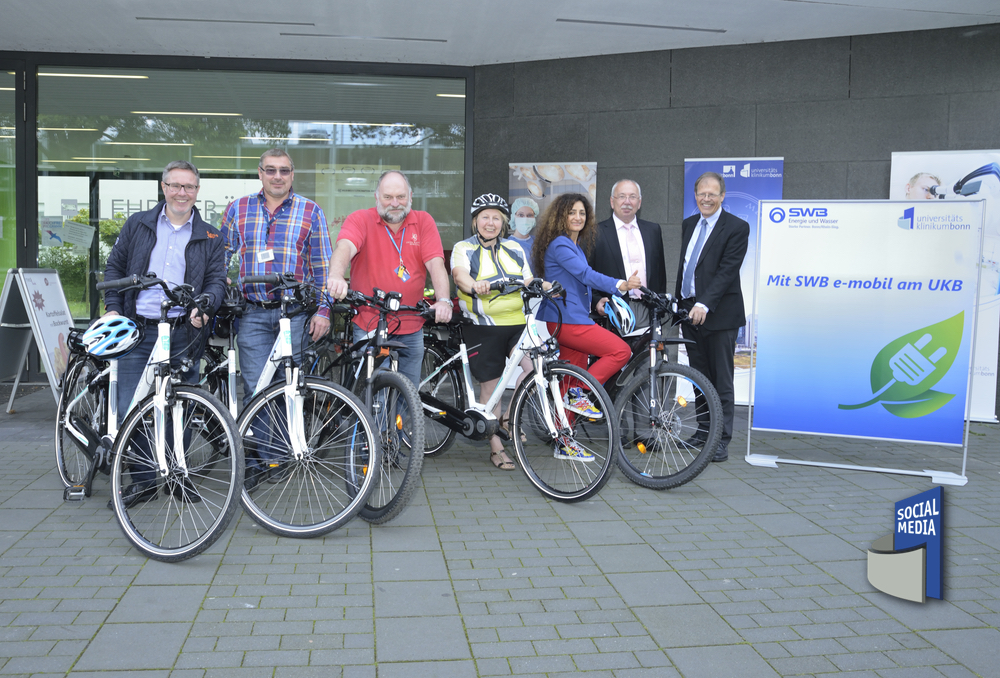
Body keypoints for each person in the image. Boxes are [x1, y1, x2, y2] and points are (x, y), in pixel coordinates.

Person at [102, 160, 227, 507]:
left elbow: (216, 280)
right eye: (175, 185)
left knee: (180, 407)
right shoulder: (138, 224)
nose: (181, 193)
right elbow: (115, 267)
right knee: (134, 406)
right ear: (163, 187)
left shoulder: (211, 235)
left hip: (183, 331)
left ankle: (176, 477)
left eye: (188, 187)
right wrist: (113, 306)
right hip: (137, 328)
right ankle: (142, 482)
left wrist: (205, 305)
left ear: (197, 191)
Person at [220, 149, 333, 488]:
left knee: (288, 387)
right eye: (271, 170)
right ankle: (263, 458)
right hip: (253, 314)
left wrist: (324, 311)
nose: (278, 176)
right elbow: (220, 256)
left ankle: (278, 454)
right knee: (257, 388)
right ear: (260, 173)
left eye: (284, 170)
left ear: (292, 175)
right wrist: (221, 282)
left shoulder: (310, 211)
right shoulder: (238, 209)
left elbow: (322, 268)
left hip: (295, 316)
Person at [533, 193, 640, 461]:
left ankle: (563, 441)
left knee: (571, 378)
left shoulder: (573, 245)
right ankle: (582, 393)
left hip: (568, 317)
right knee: (620, 352)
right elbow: (585, 275)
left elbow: (577, 284)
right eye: (572, 213)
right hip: (567, 321)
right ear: (561, 216)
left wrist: (596, 304)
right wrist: (620, 285)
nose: (578, 217)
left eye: (582, 213)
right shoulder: (561, 244)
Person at [326, 170, 452, 389]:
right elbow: (344, 247)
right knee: (373, 395)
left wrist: (443, 300)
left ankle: (403, 425)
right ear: (377, 198)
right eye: (388, 197)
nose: (395, 203)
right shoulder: (361, 219)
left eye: (401, 197)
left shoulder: (423, 221)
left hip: (411, 325)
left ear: (410, 196)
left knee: (408, 395)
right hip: (370, 324)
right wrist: (336, 276)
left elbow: (435, 264)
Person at [452, 193, 536, 470]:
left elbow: (527, 279)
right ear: (476, 221)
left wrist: (544, 285)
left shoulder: (514, 248)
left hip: (517, 324)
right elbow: (460, 275)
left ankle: (507, 419)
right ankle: (496, 447)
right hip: (483, 327)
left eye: (496, 218)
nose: (491, 223)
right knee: (493, 389)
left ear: (503, 222)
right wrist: (473, 285)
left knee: (533, 368)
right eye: (485, 217)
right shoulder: (464, 247)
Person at [675, 171, 750, 463]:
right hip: (689, 312)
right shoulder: (688, 224)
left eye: (712, 194)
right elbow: (687, 268)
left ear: (722, 196)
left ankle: (720, 439)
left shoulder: (736, 227)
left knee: (721, 380)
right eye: (701, 193)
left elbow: (727, 272)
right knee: (698, 378)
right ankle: (703, 431)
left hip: (718, 314)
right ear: (695, 196)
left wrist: (704, 304)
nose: (706, 198)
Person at [589, 179, 666, 329]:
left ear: (639, 202)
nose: (627, 202)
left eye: (632, 197)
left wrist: (659, 304)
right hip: (613, 310)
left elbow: (660, 272)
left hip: (648, 309)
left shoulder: (653, 230)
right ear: (612, 202)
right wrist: (596, 300)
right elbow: (587, 272)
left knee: (647, 353)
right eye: (622, 196)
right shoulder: (595, 232)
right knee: (618, 353)